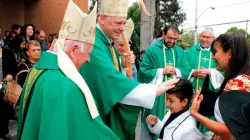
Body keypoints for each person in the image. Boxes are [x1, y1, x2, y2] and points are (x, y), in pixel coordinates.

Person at [17, 1, 119, 139]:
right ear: (73, 50)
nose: (88, 59)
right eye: (88, 53)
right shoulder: (64, 85)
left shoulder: (40, 70)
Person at [80, 1, 180, 139]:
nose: (122, 28)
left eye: (124, 23)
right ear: (102, 18)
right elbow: (111, 81)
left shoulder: (106, 43)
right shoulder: (93, 42)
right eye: (118, 23)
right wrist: (153, 90)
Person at [191, 32, 250, 140]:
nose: (213, 56)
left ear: (230, 54)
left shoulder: (238, 85)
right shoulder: (241, 79)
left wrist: (195, 113)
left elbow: (231, 133)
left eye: (215, 52)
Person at [137, 25, 191, 140]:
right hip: (158, 98)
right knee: (151, 123)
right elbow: (143, 72)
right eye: (169, 38)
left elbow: (187, 69)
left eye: (175, 39)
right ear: (163, 35)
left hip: (175, 96)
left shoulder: (180, 51)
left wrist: (176, 70)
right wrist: (161, 71)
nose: (172, 41)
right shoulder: (152, 50)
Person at [185, 27, 224, 139]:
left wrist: (210, 72)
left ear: (213, 38)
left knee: (206, 127)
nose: (205, 39)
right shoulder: (189, 52)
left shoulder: (219, 53)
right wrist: (193, 72)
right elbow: (183, 68)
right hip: (191, 93)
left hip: (210, 95)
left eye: (208, 37)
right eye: (203, 36)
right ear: (199, 36)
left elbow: (225, 71)